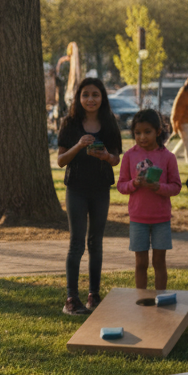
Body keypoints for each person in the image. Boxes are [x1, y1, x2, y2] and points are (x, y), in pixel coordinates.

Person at [55, 77, 122, 316]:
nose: (90, 99)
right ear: (78, 98)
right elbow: (61, 160)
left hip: (100, 189)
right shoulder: (70, 123)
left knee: (96, 242)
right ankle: (71, 299)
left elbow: (116, 158)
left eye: (95, 94)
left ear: (102, 97)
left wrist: (105, 156)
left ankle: (94, 295)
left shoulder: (109, 123)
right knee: (76, 243)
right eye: (85, 95)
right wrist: (79, 145)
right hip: (76, 189)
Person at [117, 109, 181, 291]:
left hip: (161, 219)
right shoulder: (129, 156)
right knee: (141, 263)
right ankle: (141, 299)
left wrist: (157, 187)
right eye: (137, 133)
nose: (142, 137)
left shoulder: (168, 157)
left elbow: (176, 187)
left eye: (147, 132)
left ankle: (161, 297)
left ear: (158, 132)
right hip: (138, 219)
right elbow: (121, 185)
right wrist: (134, 183)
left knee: (159, 262)